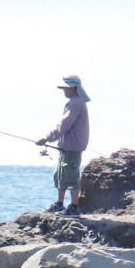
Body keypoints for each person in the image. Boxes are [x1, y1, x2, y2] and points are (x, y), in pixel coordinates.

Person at [37, 74, 90, 216]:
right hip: (66, 148)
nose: (64, 91)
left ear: (73, 88)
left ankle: (74, 206)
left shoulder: (76, 103)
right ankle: (60, 204)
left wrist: (47, 138)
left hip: (73, 148)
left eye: (65, 88)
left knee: (71, 176)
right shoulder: (75, 102)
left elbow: (64, 124)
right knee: (60, 175)